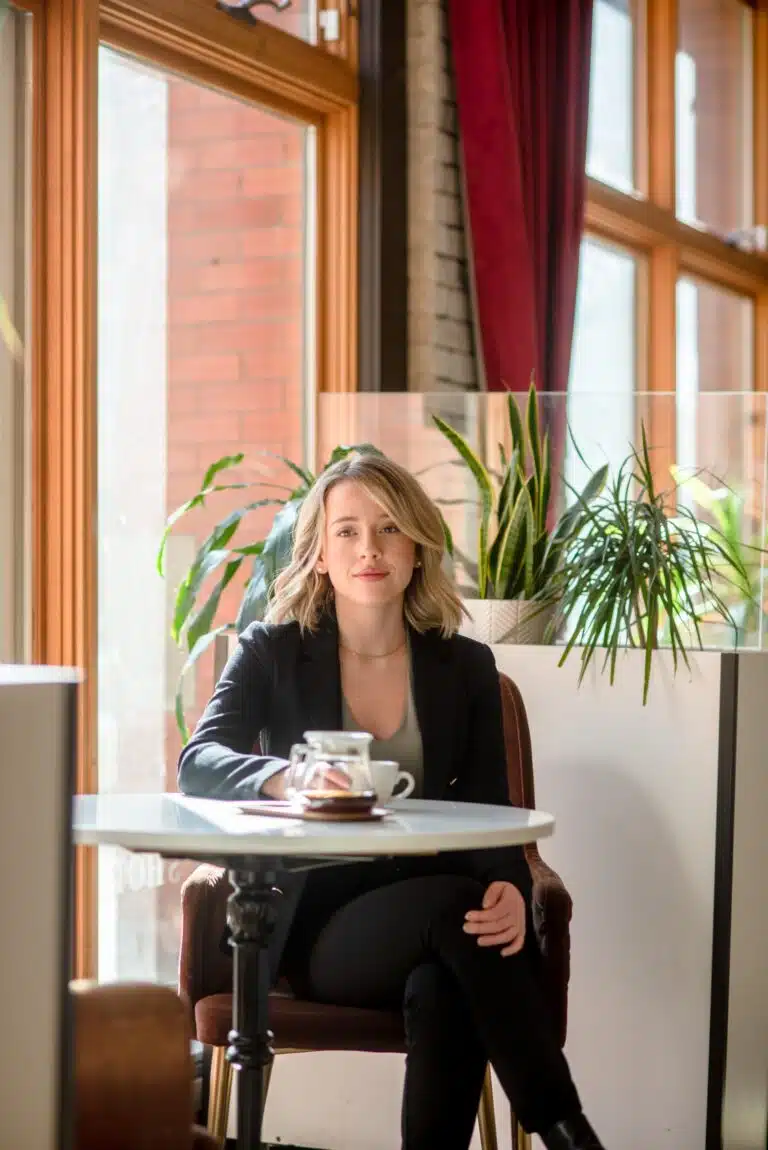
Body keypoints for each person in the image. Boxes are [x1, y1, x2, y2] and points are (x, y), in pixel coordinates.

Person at [179, 452, 605, 1150]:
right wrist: (288, 778)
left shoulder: (464, 666)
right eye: (346, 531)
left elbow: (494, 809)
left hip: (443, 921)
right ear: (318, 553)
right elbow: (199, 761)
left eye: (388, 529)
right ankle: (571, 1134)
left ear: (416, 548)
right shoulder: (271, 652)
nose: (369, 549)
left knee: (446, 985)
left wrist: (504, 881)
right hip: (322, 929)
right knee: (452, 911)